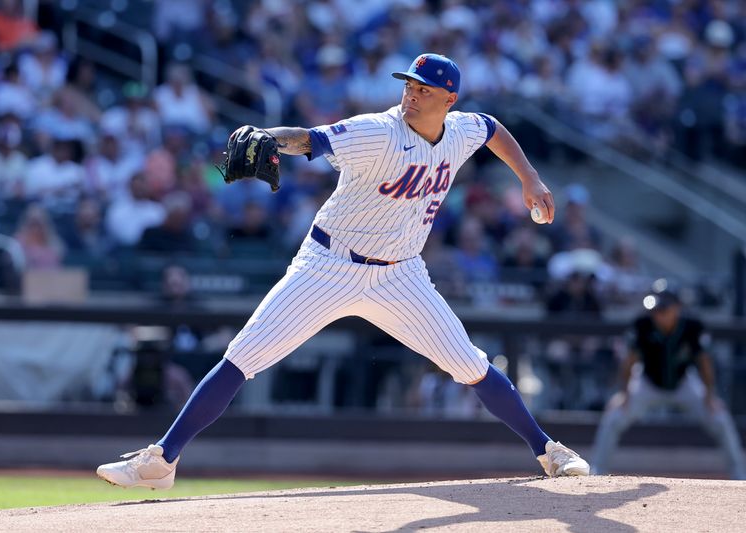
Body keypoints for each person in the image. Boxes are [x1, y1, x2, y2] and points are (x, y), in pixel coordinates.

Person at [97, 53, 590, 489]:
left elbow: (493, 129)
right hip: (329, 264)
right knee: (242, 356)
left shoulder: (461, 129)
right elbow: (310, 140)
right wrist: (271, 138)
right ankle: (162, 459)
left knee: (469, 363)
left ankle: (548, 451)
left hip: (401, 276)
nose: (411, 95)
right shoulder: (378, 131)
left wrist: (530, 178)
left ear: (449, 98)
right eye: (408, 86)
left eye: (423, 90)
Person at [591, 281, 746, 479]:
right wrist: (624, 393)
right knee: (613, 417)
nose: (658, 315)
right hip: (647, 383)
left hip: (684, 383)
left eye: (663, 309)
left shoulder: (692, 326)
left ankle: (740, 477)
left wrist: (709, 395)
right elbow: (629, 362)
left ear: (677, 308)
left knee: (721, 419)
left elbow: (704, 363)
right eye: (655, 310)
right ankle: (597, 473)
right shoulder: (642, 325)